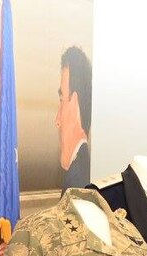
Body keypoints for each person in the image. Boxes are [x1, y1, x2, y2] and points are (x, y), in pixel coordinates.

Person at [55, 45, 92, 191]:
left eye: (62, 100)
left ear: (75, 103)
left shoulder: (77, 185)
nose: (57, 120)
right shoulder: (80, 170)